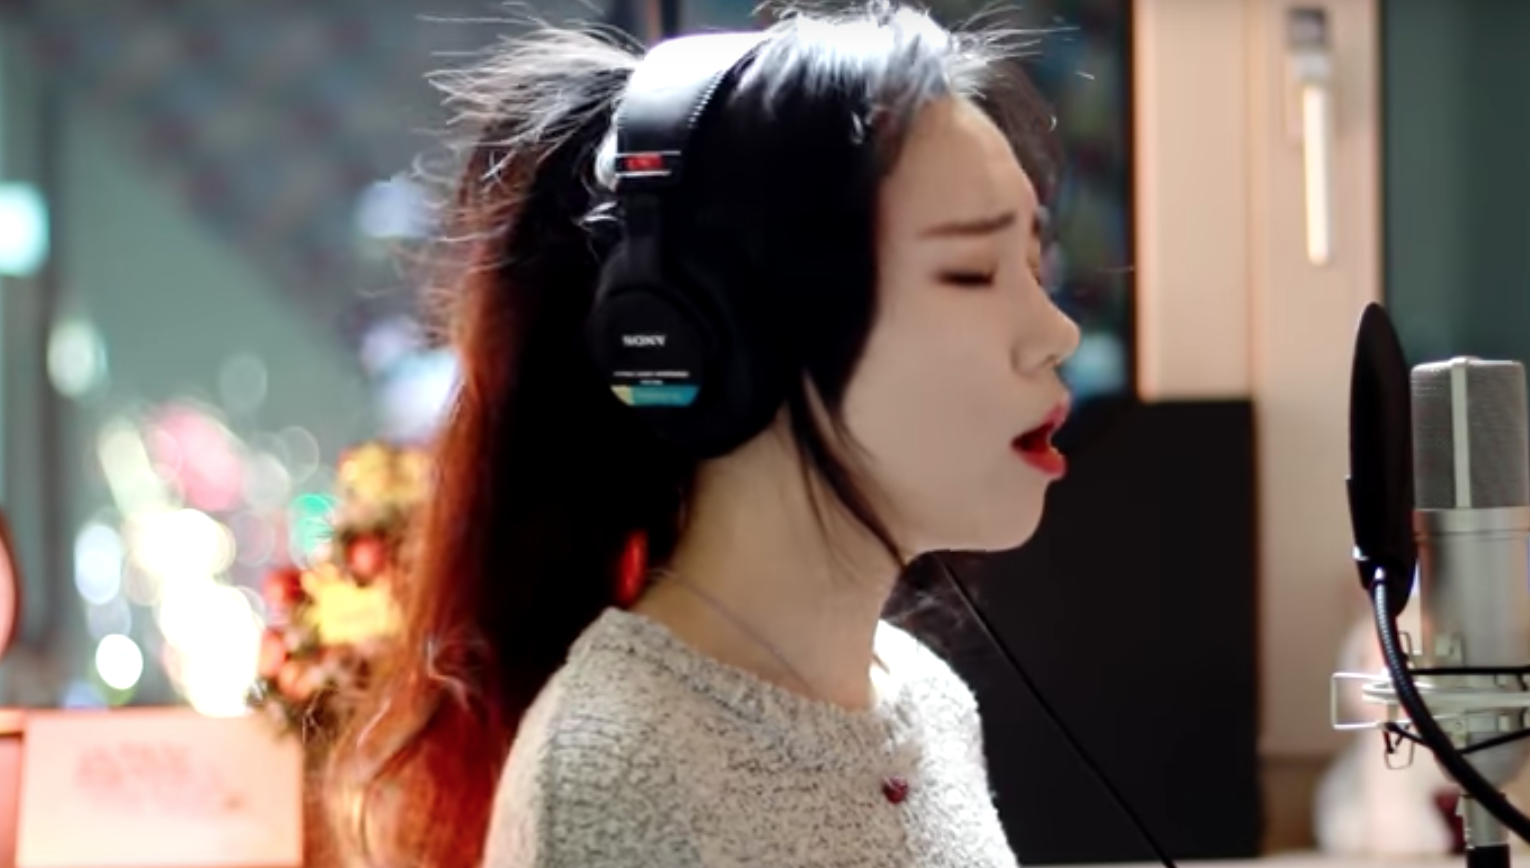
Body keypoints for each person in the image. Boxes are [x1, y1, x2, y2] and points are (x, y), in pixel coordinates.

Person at [325, 2, 1079, 866]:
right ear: (724, 331)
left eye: (1035, 271)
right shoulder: (621, 773)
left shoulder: (926, 701)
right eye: (973, 271)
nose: (1055, 332)